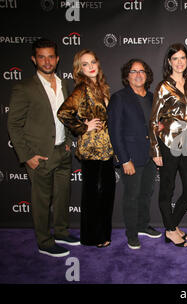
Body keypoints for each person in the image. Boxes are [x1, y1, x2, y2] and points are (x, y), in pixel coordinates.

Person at [7, 38, 79, 257]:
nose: (47, 61)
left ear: (57, 59)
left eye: (50, 57)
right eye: (41, 57)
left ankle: (61, 232)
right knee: (41, 200)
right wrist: (27, 155)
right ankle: (44, 241)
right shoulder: (24, 87)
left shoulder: (64, 84)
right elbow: (14, 124)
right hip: (40, 154)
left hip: (62, 151)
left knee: (62, 196)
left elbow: (66, 116)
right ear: (34, 59)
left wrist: (68, 142)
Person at [57, 49, 115, 248]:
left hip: (106, 150)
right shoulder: (82, 88)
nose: (90, 66)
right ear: (79, 69)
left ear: (98, 64)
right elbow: (64, 113)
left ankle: (102, 233)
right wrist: (83, 127)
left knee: (106, 193)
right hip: (91, 149)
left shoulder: (101, 87)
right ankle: (92, 237)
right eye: (85, 64)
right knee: (93, 195)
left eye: (92, 62)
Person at [107, 59, 162, 250]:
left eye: (142, 71)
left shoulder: (152, 97)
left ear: (147, 75)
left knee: (146, 193)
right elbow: (114, 132)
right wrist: (124, 160)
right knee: (132, 196)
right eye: (133, 71)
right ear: (127, 76)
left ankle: (142, 225)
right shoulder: (119, 98)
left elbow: (154, 126)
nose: (138, 75)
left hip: (149, 156)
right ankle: (131, 234)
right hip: (130, 157)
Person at [149, 43, 187, 248]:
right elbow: (154, 120)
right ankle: (170, 230)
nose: (179, 62)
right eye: (175, 58)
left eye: (183, 58)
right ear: (169, 62)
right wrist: (155, 149)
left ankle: (172, 225)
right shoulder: (163, 87)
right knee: (167, 190)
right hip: (168, 144)